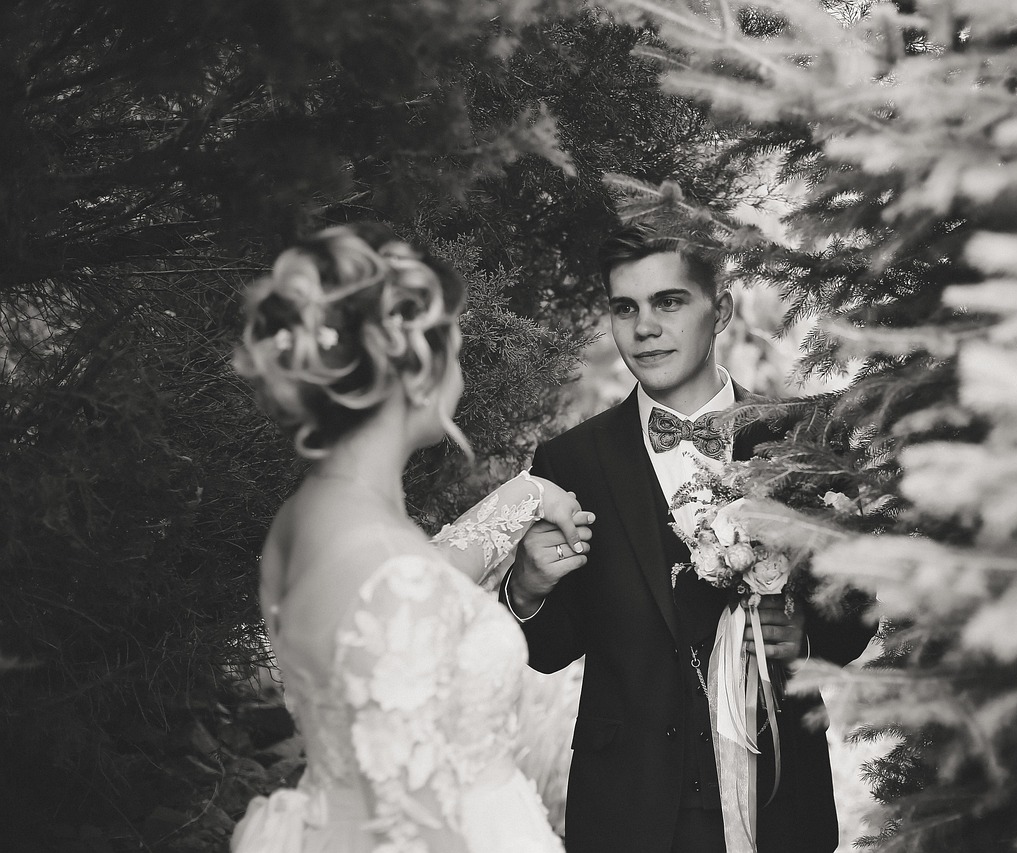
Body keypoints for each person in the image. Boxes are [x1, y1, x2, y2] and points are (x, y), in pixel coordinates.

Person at [501, 224, 876, 853]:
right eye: (626, 308)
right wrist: (527, 589)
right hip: (629, 815)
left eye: (668, 302)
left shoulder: (800, 442)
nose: (644, 327)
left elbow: (857, 613)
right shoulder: (571, 462)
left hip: (778, 805)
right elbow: (550, 649)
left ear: (720, 311)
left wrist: (805, 634)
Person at [228, 224, 591, 853]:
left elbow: (423, 578)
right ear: (421, 376)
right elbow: (414, 822)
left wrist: (528, 493)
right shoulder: (388, 567)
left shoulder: (317, 518)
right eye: (457, 351)